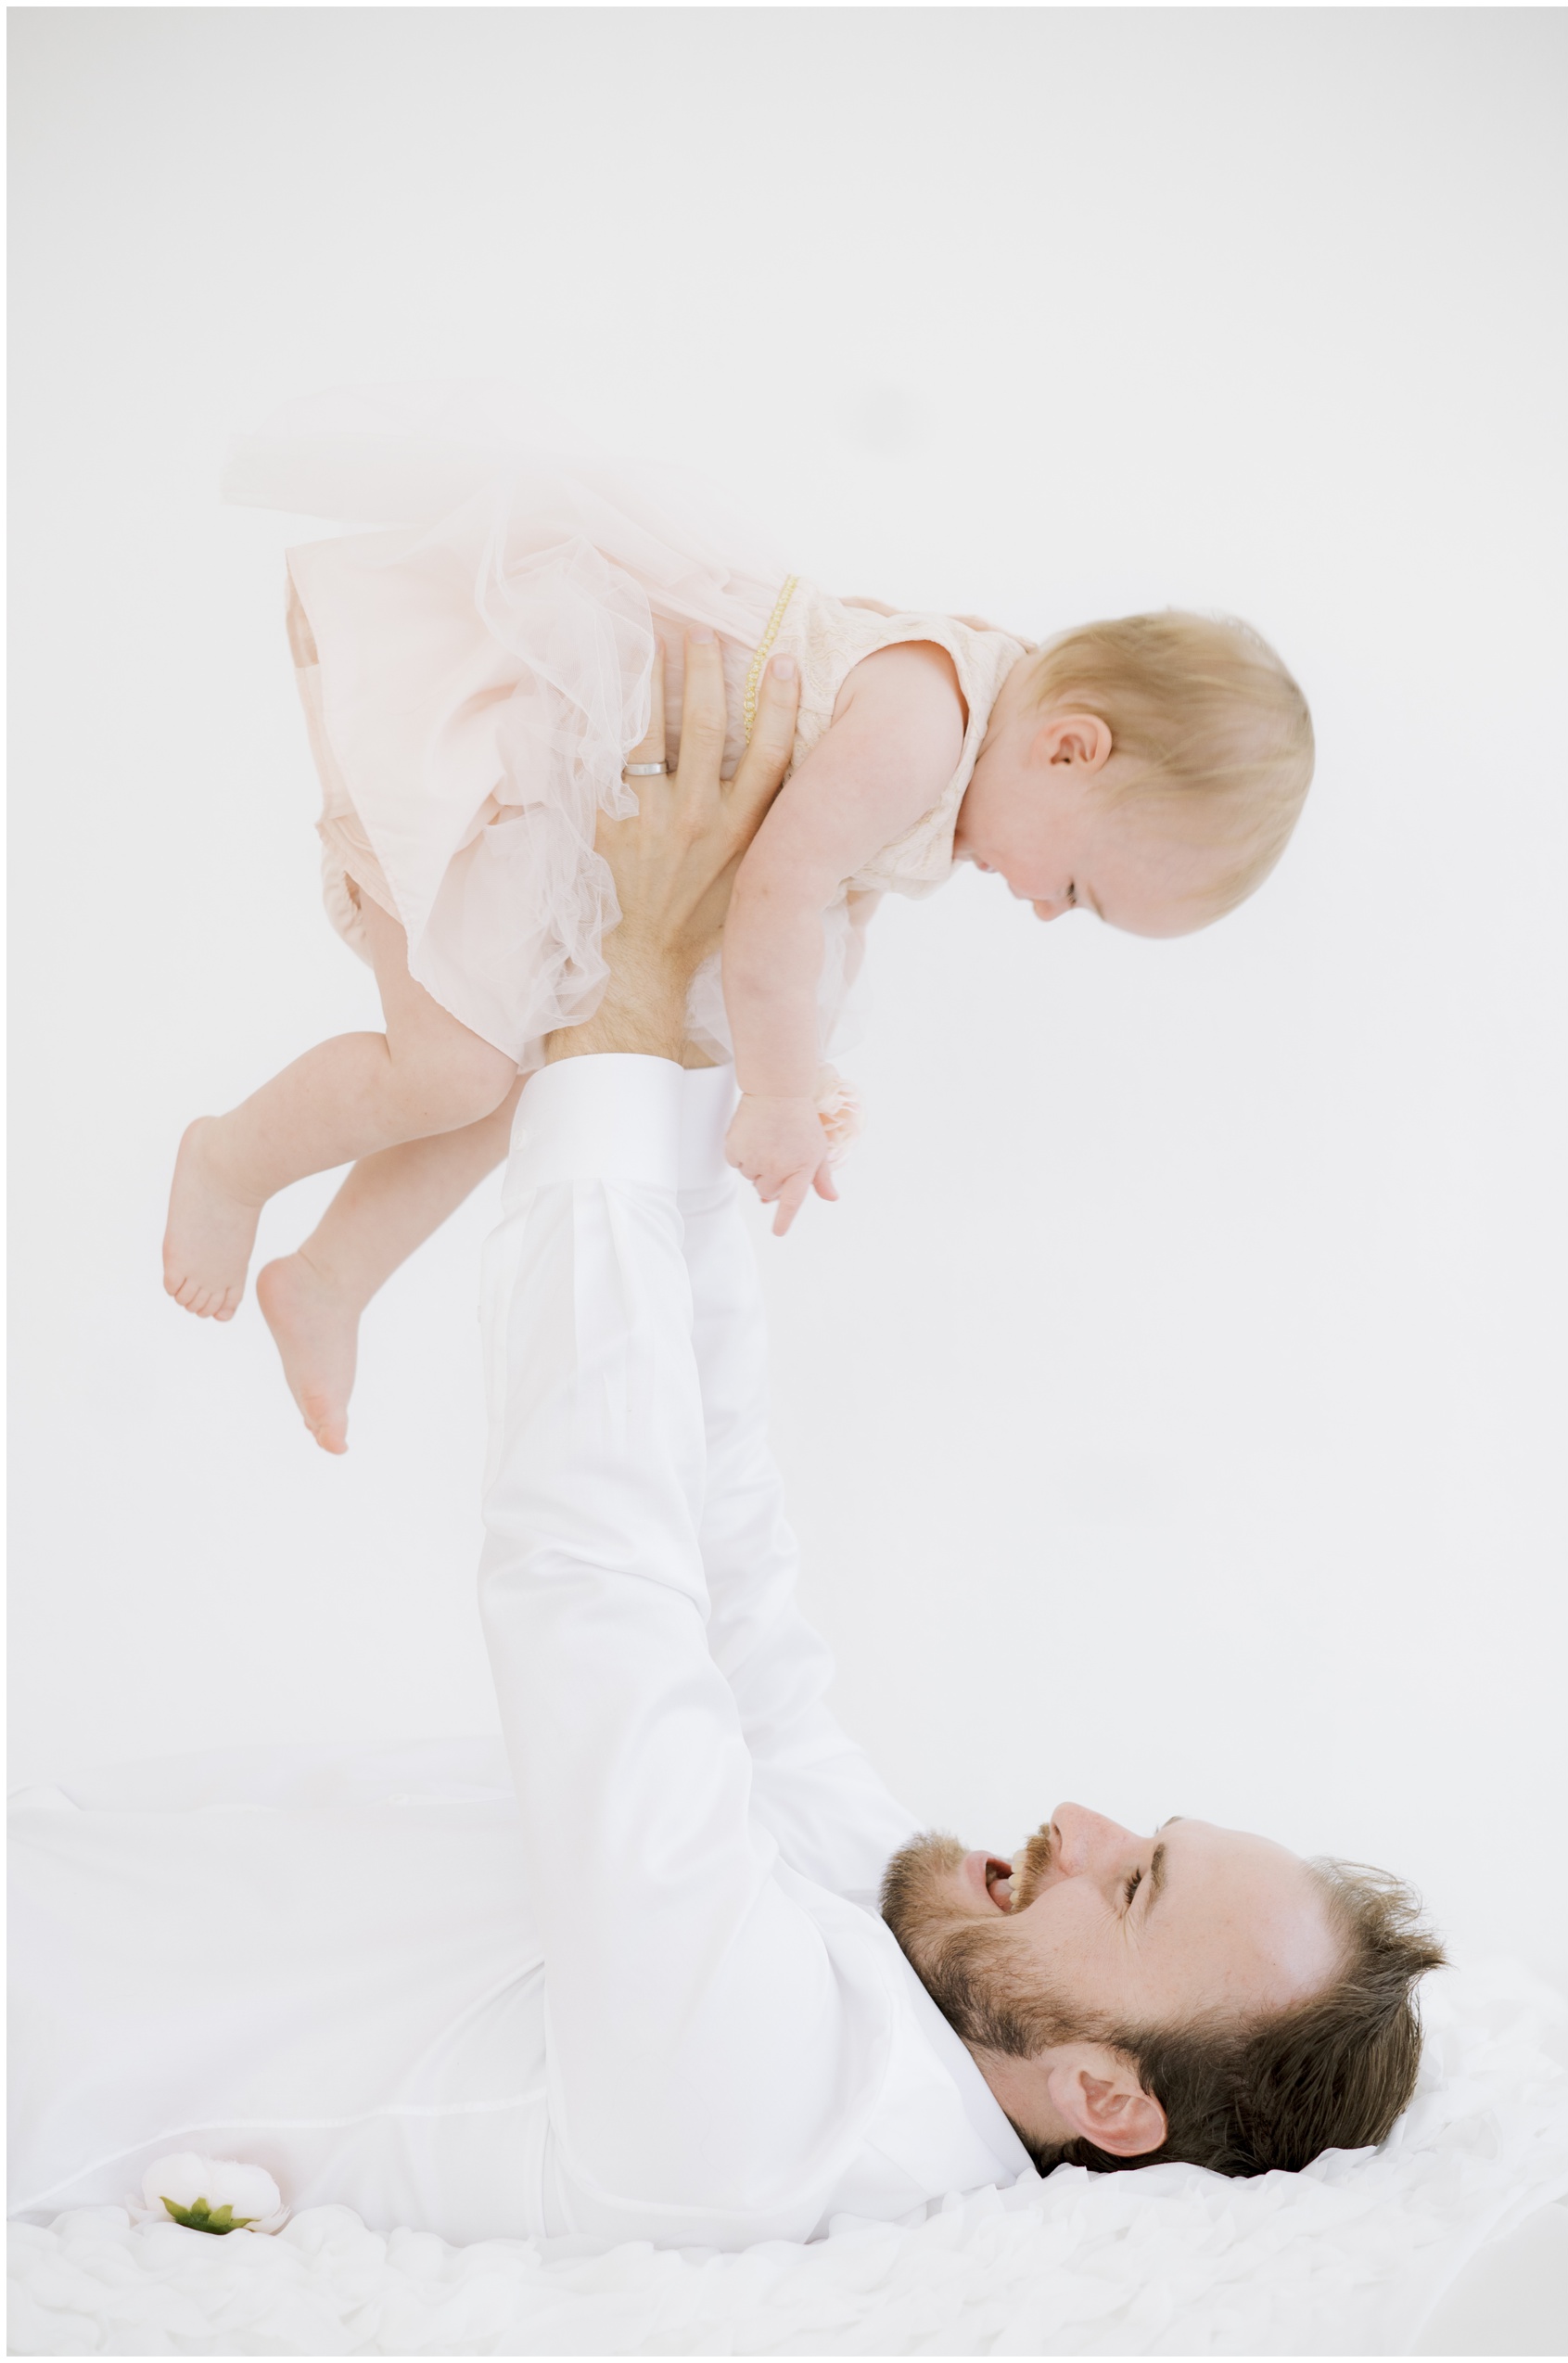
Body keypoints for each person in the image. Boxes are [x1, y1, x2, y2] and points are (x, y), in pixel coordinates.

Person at [13, 643, 1437, 2252]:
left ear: (1109, 2097)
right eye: (1145, 1833)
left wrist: (620, 1026)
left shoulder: (778, 2113)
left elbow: (596, 1593)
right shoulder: (892, 1926)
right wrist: (681, 1044)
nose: (1087, 1824)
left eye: (1131, 1889)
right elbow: (725, 1550)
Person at [161, 386, 1315, 1453]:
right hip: (502, 720)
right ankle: (227, 1159)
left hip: (580, 802)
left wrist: (793, 1075)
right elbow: (777, 895)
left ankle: (330, 1276)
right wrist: (775, 1091)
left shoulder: (963, 726)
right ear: (1069, 746)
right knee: (457, 1068)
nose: (1049, 913)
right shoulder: (921, 726)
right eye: (1078, 890)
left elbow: (795, 904)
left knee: (512, 1070)